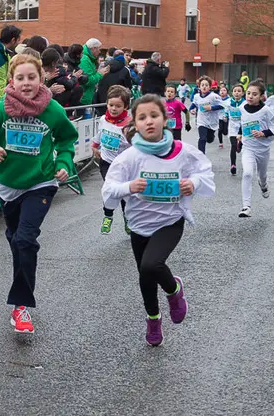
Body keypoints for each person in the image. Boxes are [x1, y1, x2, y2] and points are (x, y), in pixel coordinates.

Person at [0, 54, 78, 334]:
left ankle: (21, 307)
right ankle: (21, 289)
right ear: (11, 81)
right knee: (16, 241)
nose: (26, 83)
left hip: (41, 183)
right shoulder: (0, 109)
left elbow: (67, 139)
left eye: (32, 77)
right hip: (8, 186)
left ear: (41, 79)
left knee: (25, 240)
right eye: (20, 78)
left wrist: (64, 163)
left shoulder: (52, 110)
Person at [101, 94, 215, 346]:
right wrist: (129, 187)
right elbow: (109, 189)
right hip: (139, 225)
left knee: (151, 264)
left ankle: (174, 291)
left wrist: (193, 183)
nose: (149, 121)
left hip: (170, 221)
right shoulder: (129, 157)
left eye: (154, 116)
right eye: (142, 117)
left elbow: (204, 173)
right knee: (145, 274)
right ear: (135, 123)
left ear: (165, 119)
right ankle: (153, 318)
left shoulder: (182, 151)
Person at [234, 81, 274, 218]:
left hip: (262, 149)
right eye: (248, 93)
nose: (250, 96)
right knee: (247, 173)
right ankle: (246, 207)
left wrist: (263, 133)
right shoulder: (242, 107)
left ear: (262, 96)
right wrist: (240, 134)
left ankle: (263, 185)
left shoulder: (267, 111)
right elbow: (243, 122)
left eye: (254, 94)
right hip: (248, 148)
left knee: (262, 175)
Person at [92, 85, 132, 235]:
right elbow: (100, 133)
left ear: (125, 106)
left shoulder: (129, 124)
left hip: (124, 166)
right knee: (111, 189)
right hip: (106, 162)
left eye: (118, 106)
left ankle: (128, 218)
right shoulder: (103, 119)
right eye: (111, 105)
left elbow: (136, 145)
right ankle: (108, 216)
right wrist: (95, 146)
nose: (114, 109)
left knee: (124, 194)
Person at [189, 76, 225, 154]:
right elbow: (194, 104)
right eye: (202, 85)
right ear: (199, 86)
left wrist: (211, 108)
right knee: (202, 138)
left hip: (212, 121)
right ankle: (201, 156)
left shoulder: (214, 96)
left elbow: (222, 105)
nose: (204, 87)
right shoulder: (196, 96)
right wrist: (191, 110)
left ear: (210, 87)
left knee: (209, 139)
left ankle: (211, 137)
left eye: (206, 85)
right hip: (201, 121)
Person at [79, 38, 109, 106]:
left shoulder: (89, 58)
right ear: (93, 48)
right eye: (99, 49)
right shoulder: (85, 59)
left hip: (86, 96)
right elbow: (88, 80)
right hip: (83, 98)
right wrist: (100, 74)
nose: (99, 52)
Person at [227, 84, 245, 175]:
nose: (237, 93)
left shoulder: (245, 103)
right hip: (232, 127)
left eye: (239, 91)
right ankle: (233, 165)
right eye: (235, 91)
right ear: (232, 93)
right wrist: (225, 116)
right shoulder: (228, 102)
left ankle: (240, 144)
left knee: (240, 148)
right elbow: (225, 111)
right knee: (233, 146)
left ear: (243, 93)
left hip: (242, 127)